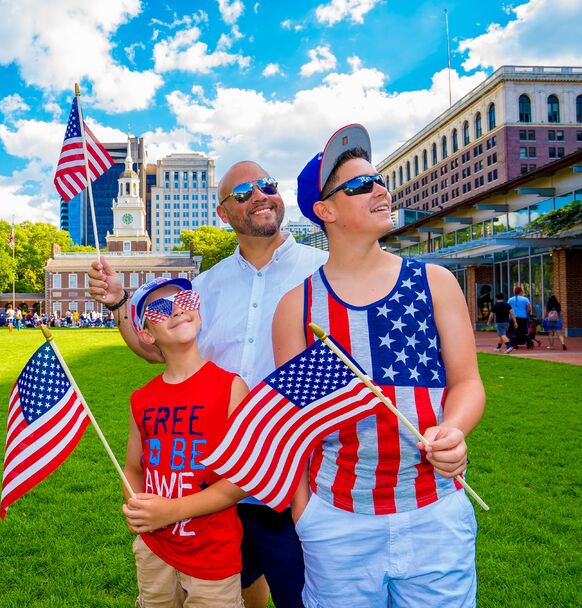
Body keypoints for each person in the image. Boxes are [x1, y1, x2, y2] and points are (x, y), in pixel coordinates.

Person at [91, 160, 328, 608]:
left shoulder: (323, 270)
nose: (259, 195)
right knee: (235, 583)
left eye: (266, 185)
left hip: (295, 472)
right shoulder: (203, 288)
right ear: (223, 212)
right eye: (243, 193)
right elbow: (162, 349)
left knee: (303, 592)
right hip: (212, 478)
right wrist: (122, 302)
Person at [271, 124, 483, 607]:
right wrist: (307, 515)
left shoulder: (437, 282)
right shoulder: (296, 307)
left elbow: (467, 382)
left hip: (435, 512)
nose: (381, 189)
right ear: (325, 211)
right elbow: (292, 425)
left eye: (379, 178)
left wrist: (453, 430)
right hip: (336, 520)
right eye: (360, 185)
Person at [123, 277, 249, 608]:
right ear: (147, 334)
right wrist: (140, 509)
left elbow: (242, 480)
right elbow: (133, 468)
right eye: (161, 308)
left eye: (186, 301)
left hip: (212, 552)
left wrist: (172, 511)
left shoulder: (231, 387)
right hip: (155, 550)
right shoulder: (142, 399)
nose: (177, 309)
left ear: (200, 314)